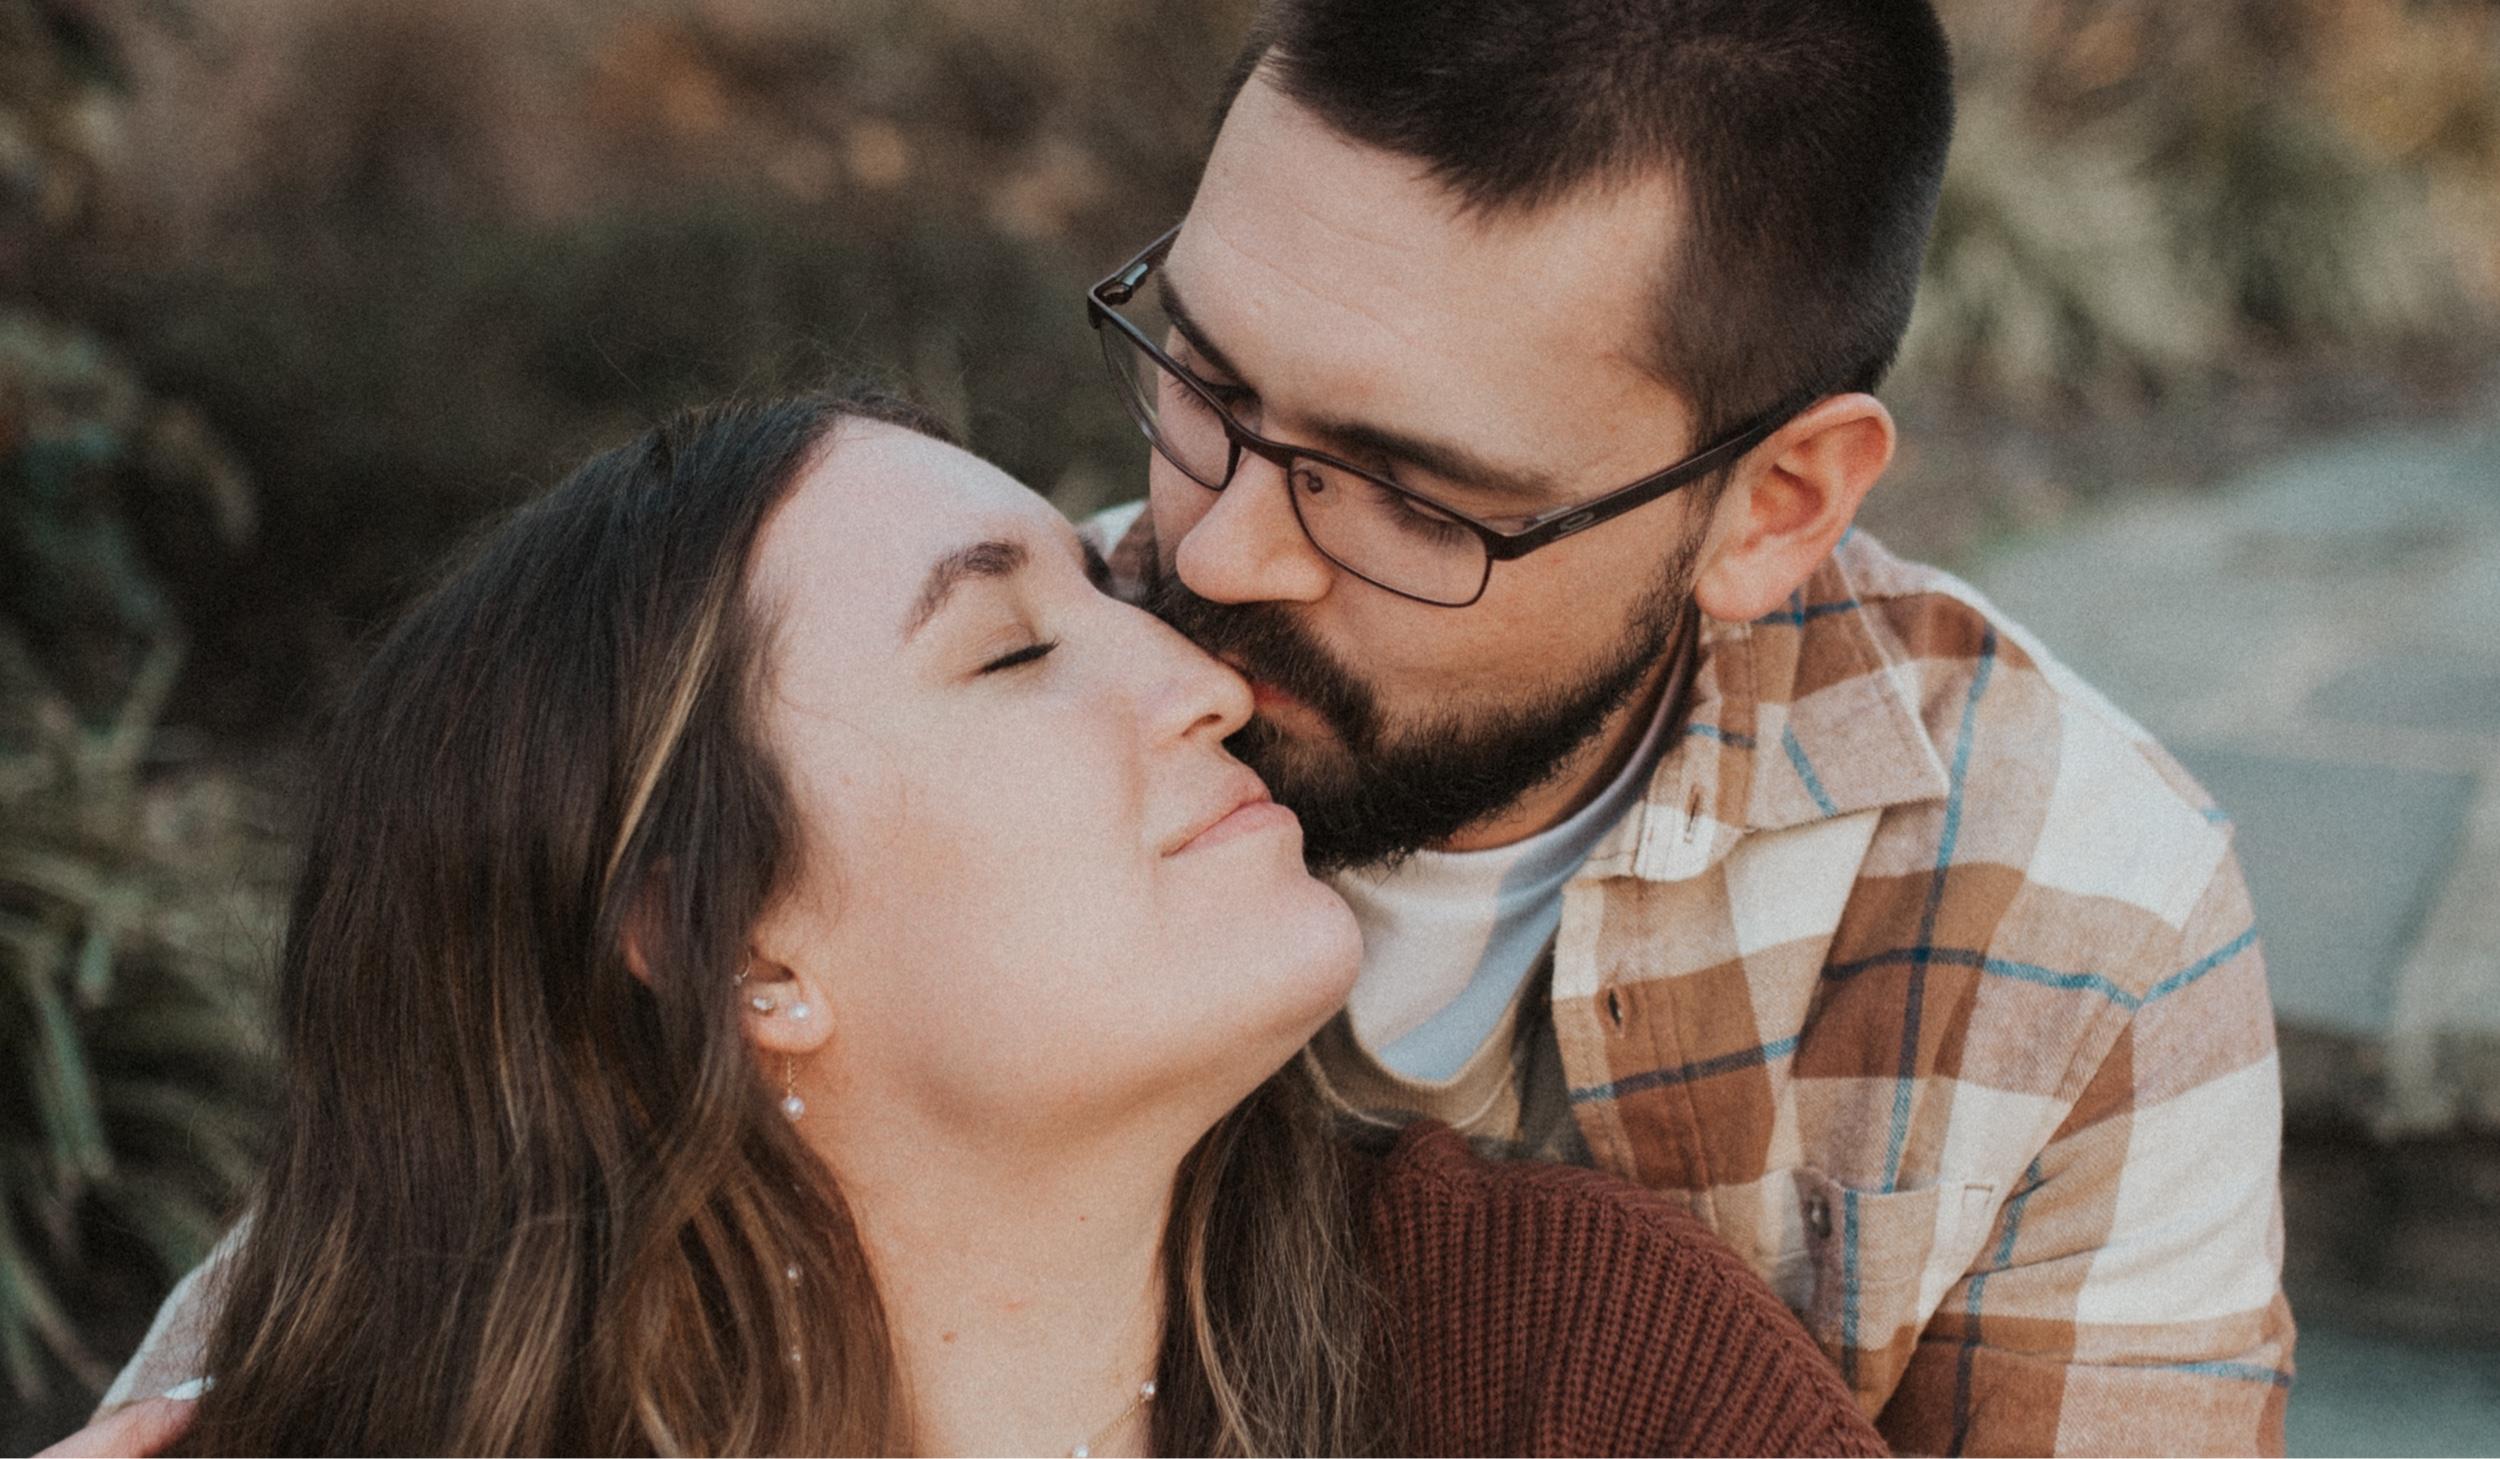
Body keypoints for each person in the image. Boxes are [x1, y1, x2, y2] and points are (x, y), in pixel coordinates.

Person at [54, 388, 1883, 1456]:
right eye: (1010, 651)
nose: (1205, 681)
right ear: (725, 946)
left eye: (1109, 599)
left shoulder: (1569, 1372)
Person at [1079, 0, 2294, 1453]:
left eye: (1408, 494)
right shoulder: (926, 732)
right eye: (1203, 377)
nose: (1222, 555)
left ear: (1773, 509)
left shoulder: (2077, 925)